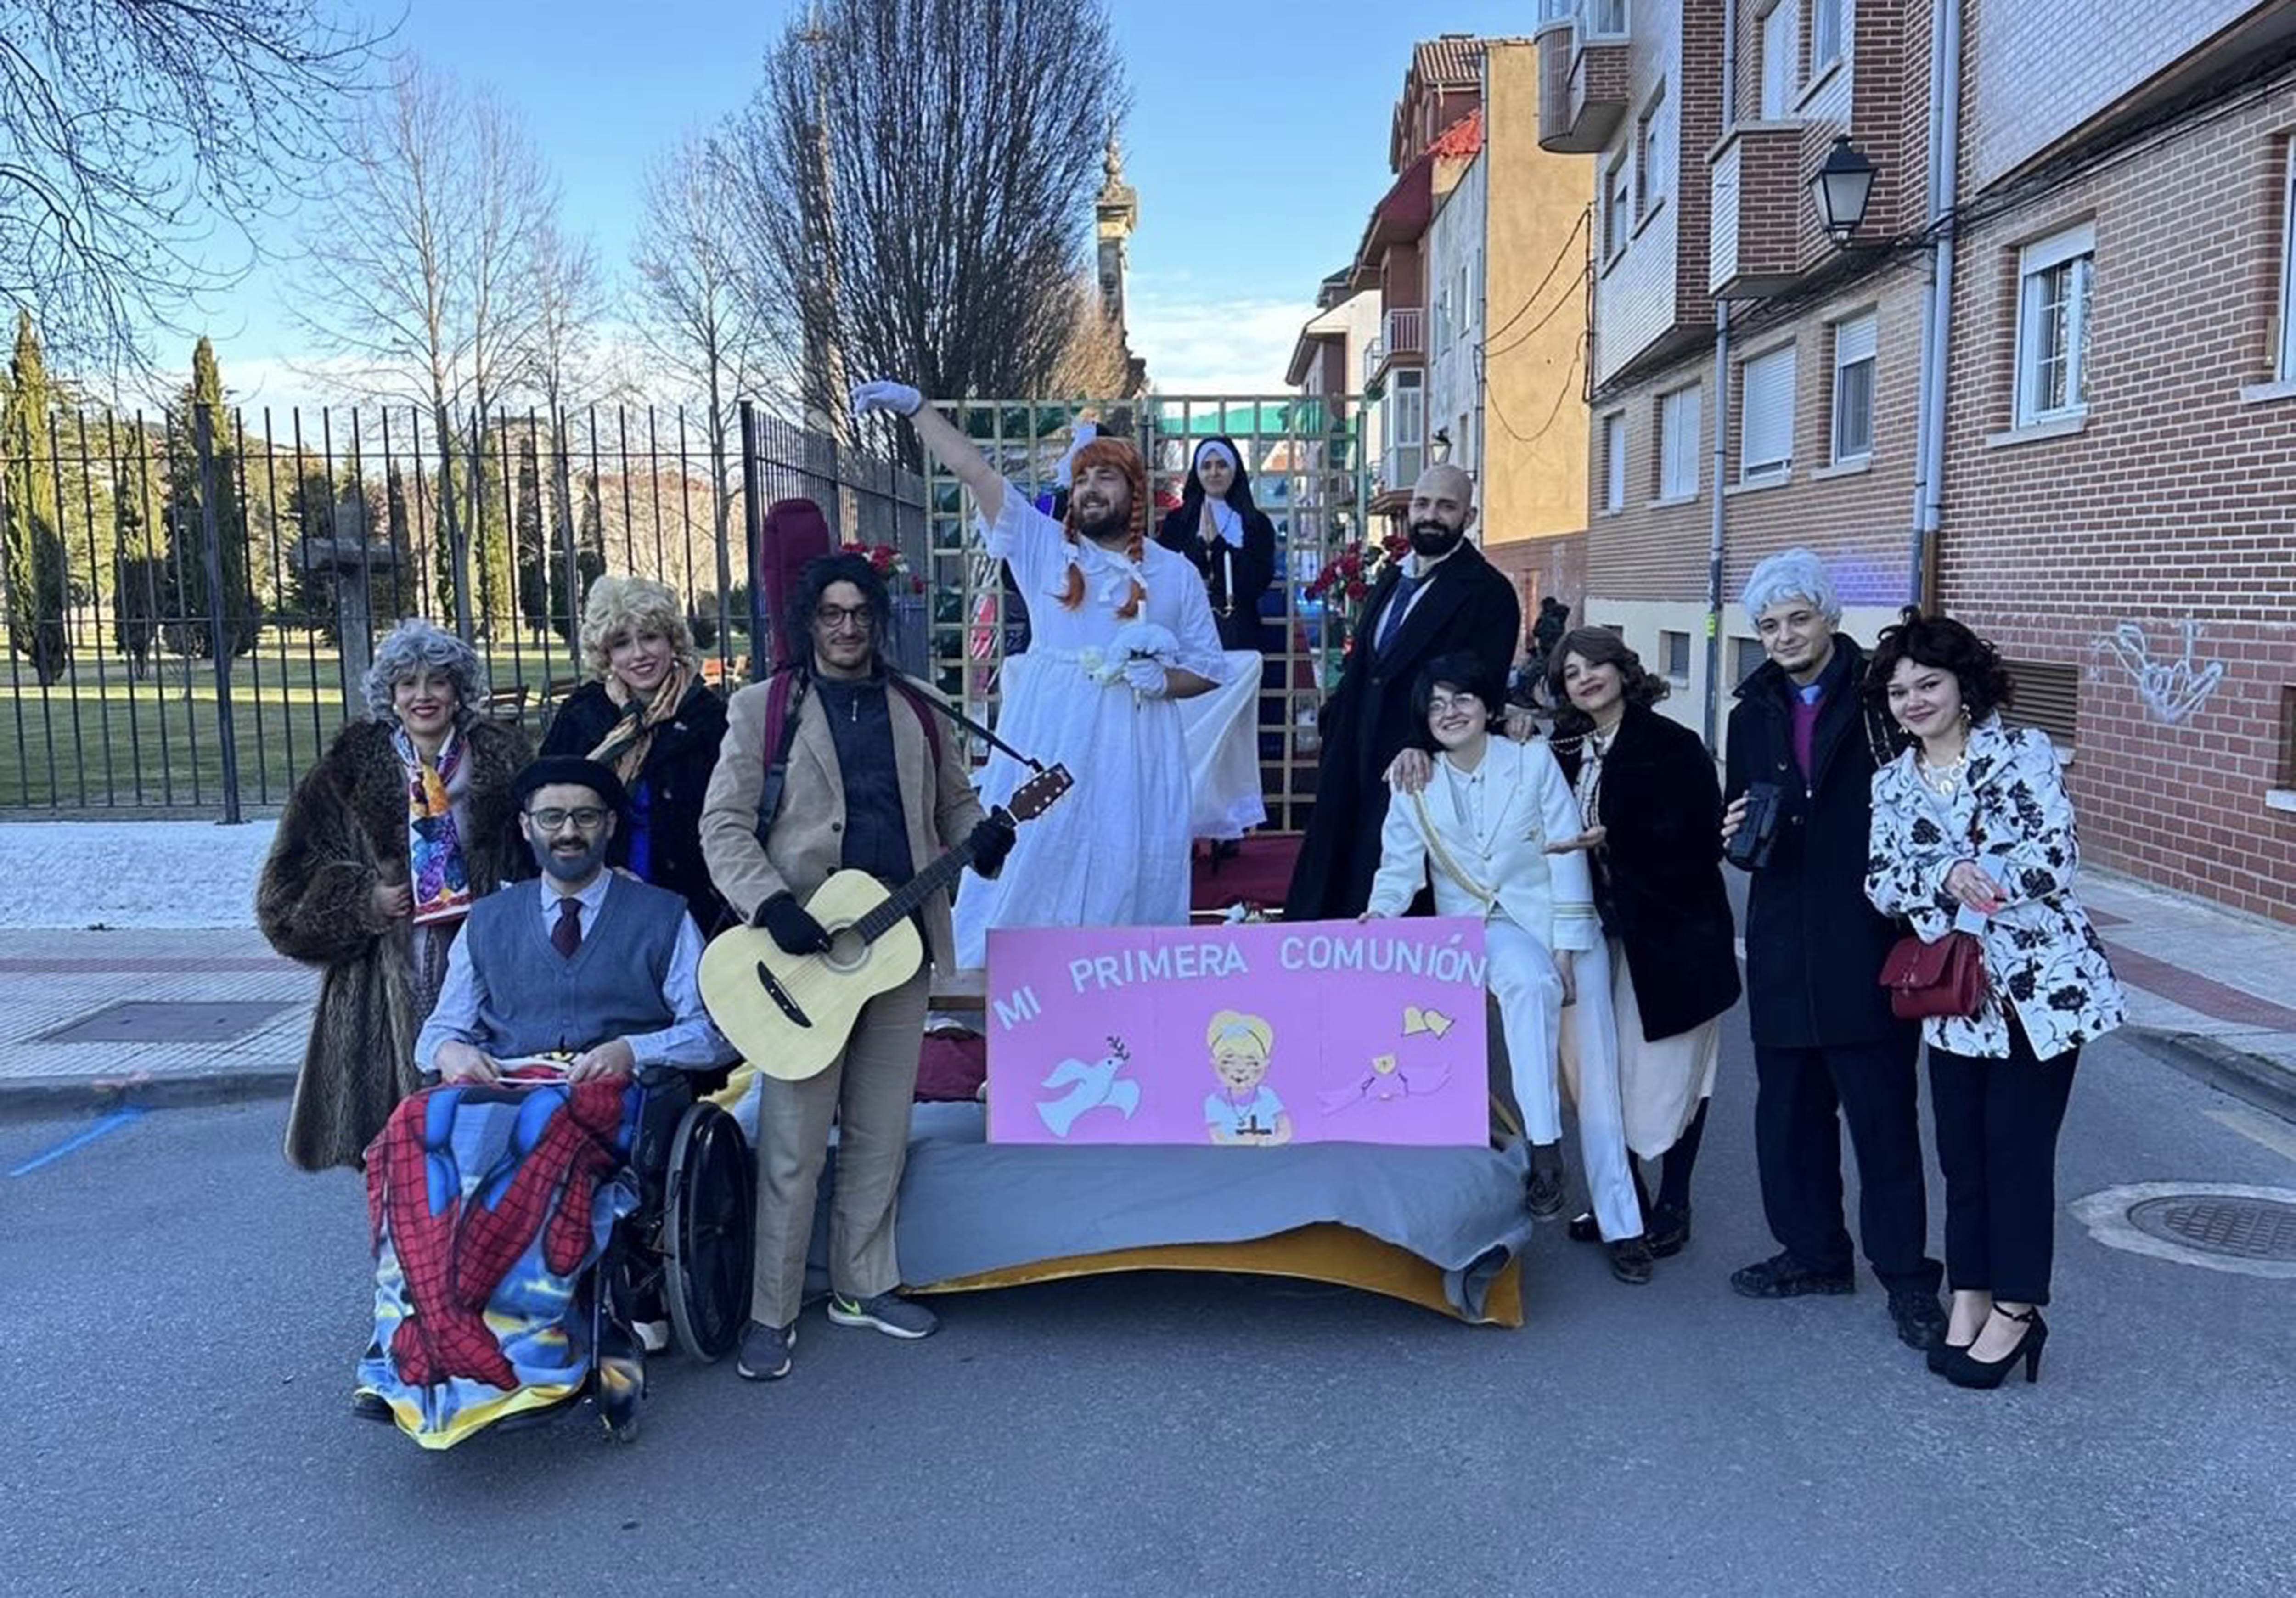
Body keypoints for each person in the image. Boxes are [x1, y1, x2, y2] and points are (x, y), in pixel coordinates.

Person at [700, 550, 1013, 1381]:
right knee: (794, 1141)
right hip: (801, 953)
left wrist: (983, 837)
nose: (847, 629)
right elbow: (723, 826)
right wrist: (770, 907)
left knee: (882, 1131)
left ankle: (860, 1285)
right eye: (831, 614)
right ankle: (771, 1312)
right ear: (809, 623)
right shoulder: (762, 709)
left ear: (879, 620)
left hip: (900, 948)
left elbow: (953, 802)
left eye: (860, 614)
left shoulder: (920, 707)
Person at [850, 378, 1225, 965]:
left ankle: (1124, 982)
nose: (1090, 489)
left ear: (1134, 491)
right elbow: (976, 473)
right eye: (1080, 479)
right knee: (1034, 848)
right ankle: (1007, 975)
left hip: (1136, 741)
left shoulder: (1173, 574)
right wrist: (919, 410)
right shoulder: (1043, 546)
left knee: (1126, 851)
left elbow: (1207, 667)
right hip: (1053, 731)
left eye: (1105, 477)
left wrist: (1161, 681)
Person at [1863, 609, 2123, 1387]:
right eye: (1900, 690)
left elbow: (2054, 854)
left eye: (1929, 683)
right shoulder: (1891, 782)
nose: (1914, 701)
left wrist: (1981, 881)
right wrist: (1943, 876)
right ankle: (1969, 1294)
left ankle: (2018, 1308)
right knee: (1963, 1160)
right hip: (1952, 1000)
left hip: (2041, 992)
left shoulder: (2023, 752)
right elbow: (1880, 881)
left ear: (1963, 685)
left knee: (2016, 1157)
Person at [1362, 654, 1648, 1280]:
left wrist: (1568, 947)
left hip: (1559, 920)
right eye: (1435, 706)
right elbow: (1399, 869)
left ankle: (1624, 1223)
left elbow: (1566, 851)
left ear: (1490, 706)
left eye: (1462, 698)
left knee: (1598, 1072)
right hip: (1482, 929)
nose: (1450, 713)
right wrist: (1377, 920)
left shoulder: (1529, 758)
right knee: (1525, 982)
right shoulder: (1416, 780)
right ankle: (1544, 1151)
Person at [1722, 550, 1946, 1350]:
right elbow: (1741, 810)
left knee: (1882, 1121)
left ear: (1829, 617)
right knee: (1788, 1118)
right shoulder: (1750, 711)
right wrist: (1737, 831)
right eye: (1769, 625)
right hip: (1783, 938)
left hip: (1867, 940)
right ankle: (1813, 1253)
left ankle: (1908, 1279)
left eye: (1798, 619)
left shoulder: (1883, 697)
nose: (1784, 636)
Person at [257, 619, 530, 1172]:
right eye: (408, 683)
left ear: (459, 691)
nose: (423, 696)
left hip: (484, 959)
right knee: (395, 1157)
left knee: (485, 1145)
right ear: (390, 694)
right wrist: (362, 901)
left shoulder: (505, 761)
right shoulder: (347, 770)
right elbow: (281, 892)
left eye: (437, 682)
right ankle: (404, 1251)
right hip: (379, 978)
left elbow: (540, 854)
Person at [1546, 629, 1740, 1263]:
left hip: (1673, 934)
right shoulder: (1563, 749)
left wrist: (1615, 839)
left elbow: (1703, 839)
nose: (1585, 678)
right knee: (1593, 1070)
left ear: (1623, 670)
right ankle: (1622, 1198)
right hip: (1591, 934)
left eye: (1595, 664)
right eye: (1571, 672)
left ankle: (1675, 1200)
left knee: (1671, 1071)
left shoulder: (1672, 744)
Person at [1285, 464, 1520, 923]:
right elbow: (1366, 666)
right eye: (1422, 504)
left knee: (1392, 895)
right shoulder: (1393, 578)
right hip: (1352, 753)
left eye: (1445, 506)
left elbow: (1480, 687)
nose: (1431, 515)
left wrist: (1424, 744)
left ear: (1468, 517)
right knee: (1330, 883)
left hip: (1415, 766)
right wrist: (1334, 724)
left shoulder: (1489, 593)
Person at [414, 754, 729, 1086]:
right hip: (504, 1101)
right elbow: (439, 1032)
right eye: (551, 817)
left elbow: (714, 1034)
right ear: (526, 826)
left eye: (586, 817)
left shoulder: (665, 917)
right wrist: (448, 1051)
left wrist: (633, 1051)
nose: (569, 832)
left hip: (620, 1107)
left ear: (610, 824)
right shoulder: (487, 920)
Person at [540, 574, 730, 933]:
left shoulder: (709, 718)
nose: (639, 654)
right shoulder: (582, 715)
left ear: (672, 641)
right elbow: (545, 808)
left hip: (693, 901)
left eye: (650, 637)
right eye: (622, 643)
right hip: (596, 897)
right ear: (606, 654)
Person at [1156, 436, 1276, 655]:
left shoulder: (1256, 523)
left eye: (1222, 465)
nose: (1214, 473)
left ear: (1234, 470)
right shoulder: (1179, 521)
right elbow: (1167, 572)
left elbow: (1260, 577)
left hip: (1239, 627)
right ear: (1197, 472)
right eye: (1206, 466)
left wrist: (1221, 549)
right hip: (1187, 627)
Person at [1202, 1010, 1291, 1146]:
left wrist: (1270, 1142)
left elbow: (1285, 1128)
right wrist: (1240, 1143)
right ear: (1214, 1064)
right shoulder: (1214, 1102)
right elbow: (1217, 1138)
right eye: (1228, 1062)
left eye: (1252, 1063)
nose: (1240, 1070)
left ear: (1265, 1065)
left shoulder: (1268, 1096)